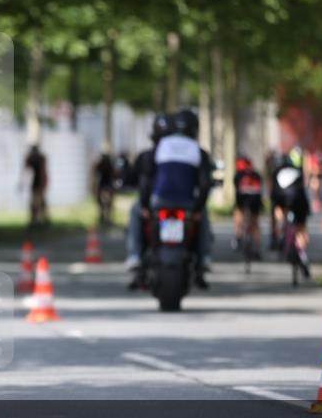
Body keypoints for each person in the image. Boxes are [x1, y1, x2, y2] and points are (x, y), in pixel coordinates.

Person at [127, 109, 214, 289]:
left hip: (160, 203)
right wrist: (198, 209)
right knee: (203, 217)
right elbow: (205, 184)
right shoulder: (199, 152)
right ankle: (204, 257)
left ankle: (135, 255)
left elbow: (146, 180)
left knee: (135, 212)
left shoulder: (159, 148)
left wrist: (144, 205)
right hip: (188, 205)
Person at [270, 148, 312, 277]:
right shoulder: (299, 172)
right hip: (299, 202)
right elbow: (305, 188)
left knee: (278, 209)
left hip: (282, 200)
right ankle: (303, 256)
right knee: (301, 229)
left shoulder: (277, 171)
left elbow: (273, 193)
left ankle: (281, 228)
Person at [232, 155, 264, 257]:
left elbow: (236, 187)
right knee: (255, 223)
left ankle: (238, 236)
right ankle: (257, 247)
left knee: (239, 213)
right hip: (255, 198)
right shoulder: (256, 175)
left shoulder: (238, 174)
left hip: (242, 198)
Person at [24, 144, 49, 228]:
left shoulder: (40, 158)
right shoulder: (36, 158)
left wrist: (43, 184)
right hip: (35, 183)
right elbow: (26, 168)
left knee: (39, 203)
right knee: (35, 203)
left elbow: (43, 171)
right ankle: (36, 220)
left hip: (39, 183)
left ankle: (41, 220)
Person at [93, 152, 116, 228]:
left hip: (106, 185)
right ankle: (104, 218)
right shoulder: (103, 165)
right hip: (104, 185)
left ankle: (106, 218)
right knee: (104, 204)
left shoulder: (108, 165)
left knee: (107, 204)